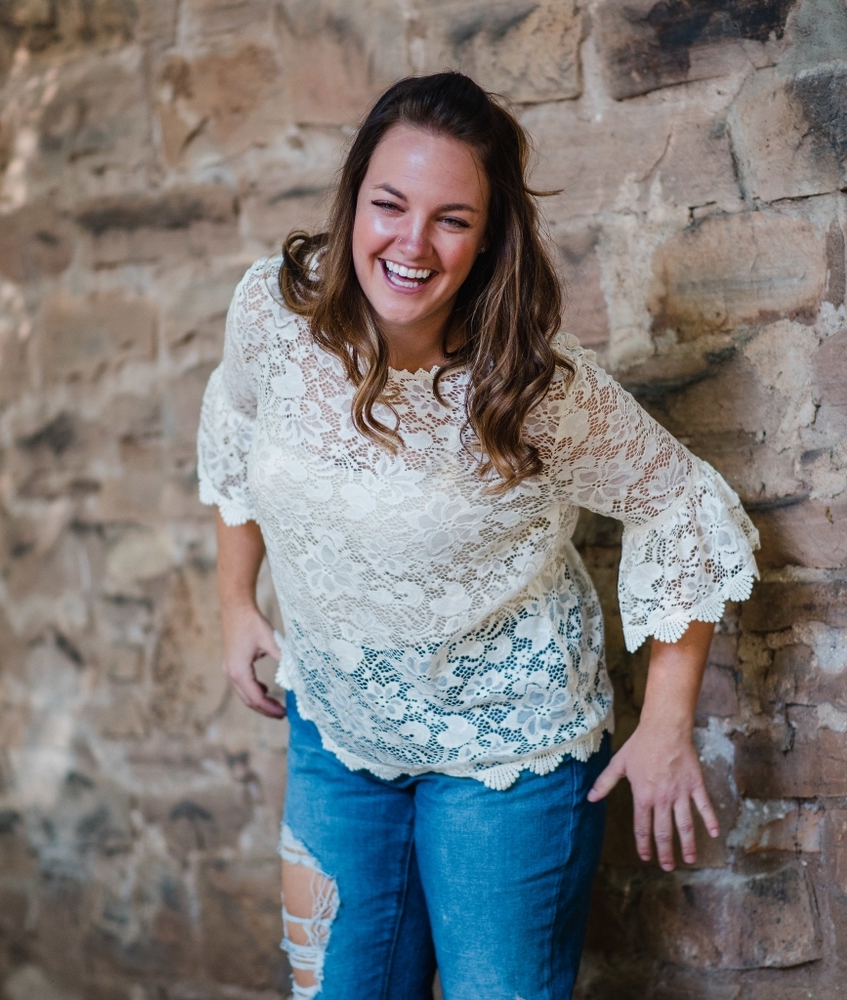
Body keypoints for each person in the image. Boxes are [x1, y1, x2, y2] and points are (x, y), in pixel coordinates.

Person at [197, 72, 759, 1000]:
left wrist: (666, 726)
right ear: (353, 205)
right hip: (334, 735)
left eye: (451, 219)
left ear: (490, 237)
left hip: (507, 761)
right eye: (389, 205)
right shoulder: (272, 314)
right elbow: (232, 426)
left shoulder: (534, 388)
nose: (410, 244)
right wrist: (233, 605)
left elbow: (680, 503)